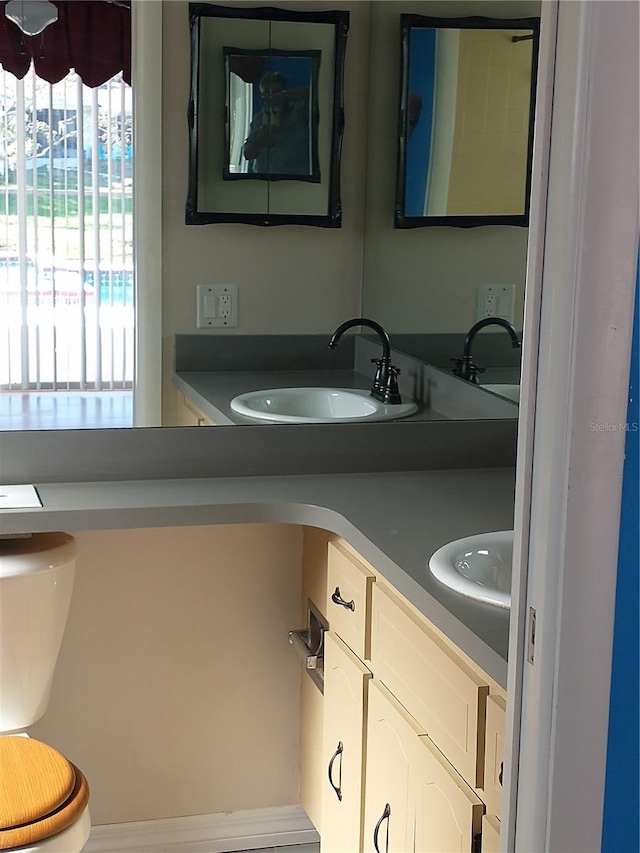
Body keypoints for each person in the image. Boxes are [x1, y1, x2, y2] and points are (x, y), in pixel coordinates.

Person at [243, 72, 311, 177]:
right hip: (263, 180)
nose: (272, 98)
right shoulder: (259, 119)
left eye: (276, 93)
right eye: (267, 94)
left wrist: (286, 96)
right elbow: (248, 154)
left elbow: (317, 94)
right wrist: (262, 137)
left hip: (297, 179)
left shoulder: (300, 111)